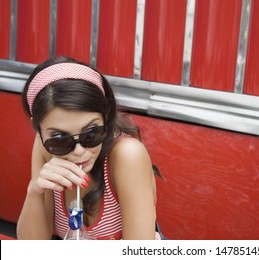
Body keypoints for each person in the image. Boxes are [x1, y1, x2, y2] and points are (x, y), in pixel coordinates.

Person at [16, 56, 164, 240]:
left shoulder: (127, 154)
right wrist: (34, 191)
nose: (78, 151)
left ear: (105, 116)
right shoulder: (44, 147)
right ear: (39, 130)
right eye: (60, 139)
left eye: (91, 133)